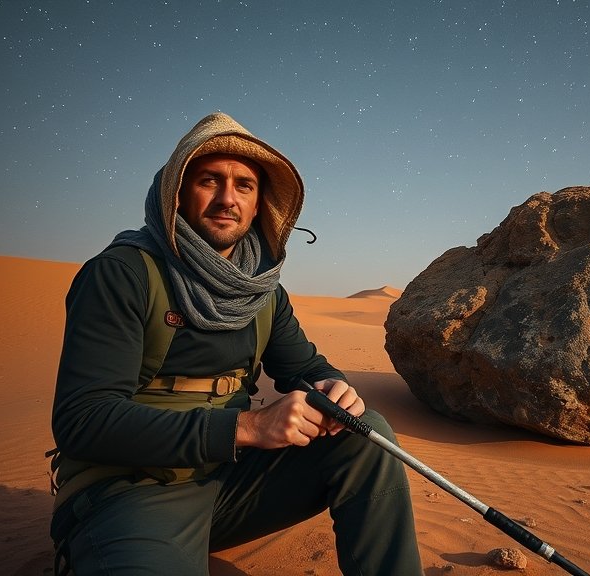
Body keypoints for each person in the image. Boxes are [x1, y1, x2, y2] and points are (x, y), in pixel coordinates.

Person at [49, 112, 423, 575]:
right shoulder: (122, 274)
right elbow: (83, 421)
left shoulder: (261, 291)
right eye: (210, 180)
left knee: (369, 436)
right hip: (133, 489)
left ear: (258, 202)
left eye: (244, 185)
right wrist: (247, 428)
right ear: (177, 192)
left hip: (230, 483)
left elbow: (305, 366)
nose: (228, 199)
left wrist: (333, 387)